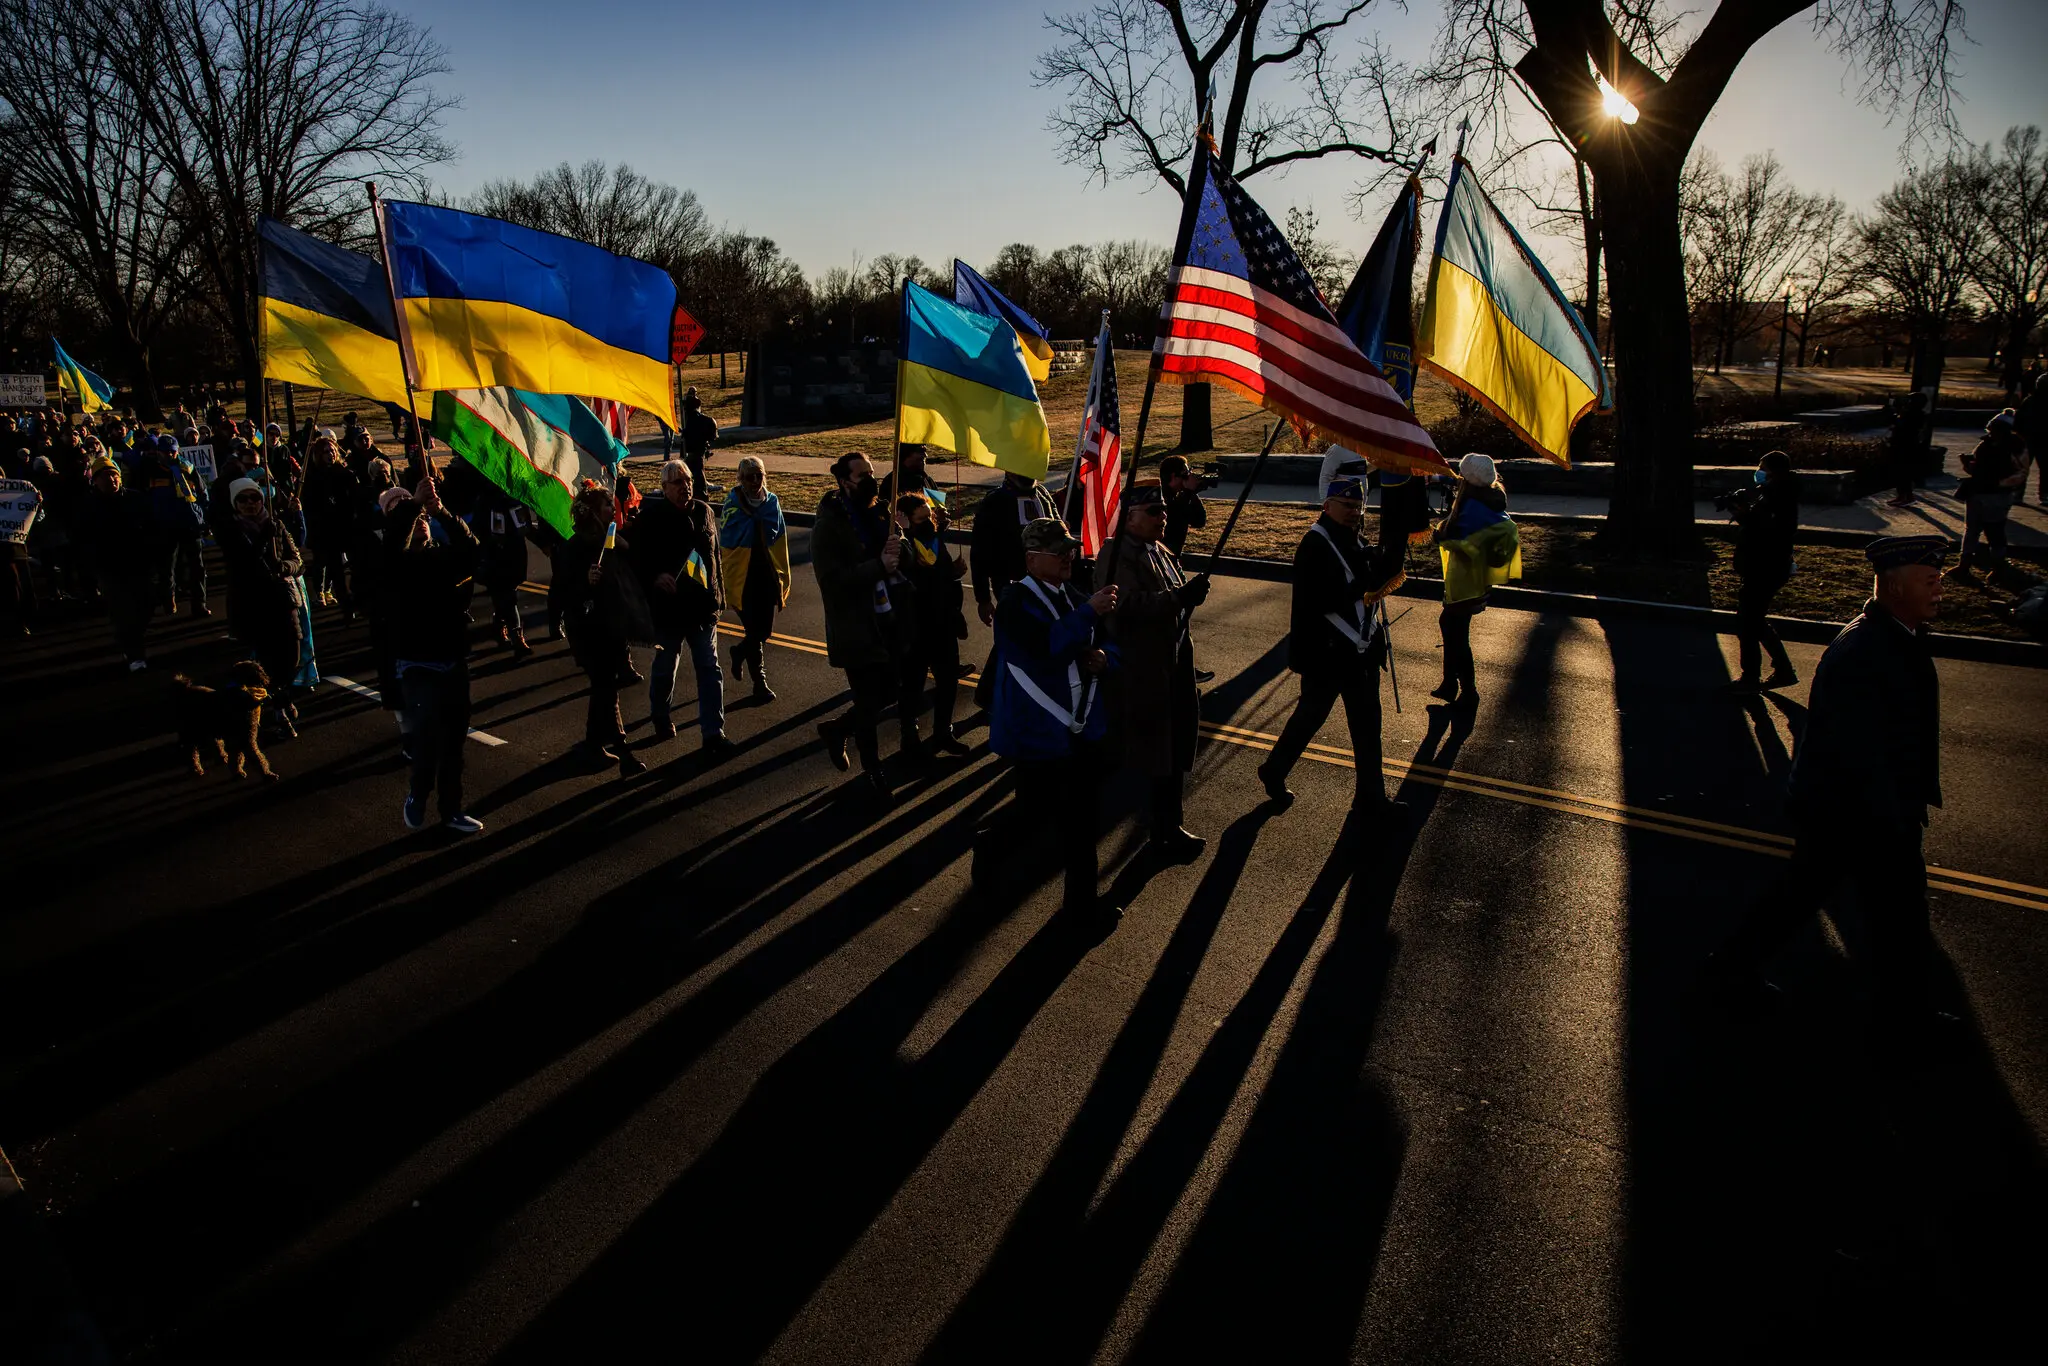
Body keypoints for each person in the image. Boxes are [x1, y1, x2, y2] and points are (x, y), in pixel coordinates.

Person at [1705, 536, 1949, 1045]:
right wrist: (1893, 816)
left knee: (1803, 897)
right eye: (1930, 580)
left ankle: (1728, 971)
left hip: (1849, 808)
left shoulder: (1892, 634)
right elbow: (1861, 749)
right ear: (1898, 586)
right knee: (1899, 916)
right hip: (1859, 812)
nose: (1940, 588)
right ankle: (1908, 1020)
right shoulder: (1869, 649)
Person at [989, 517, 1121, 918]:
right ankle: (994, 846)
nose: (1069, 556)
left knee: (1076, 821)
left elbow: (1105, 642)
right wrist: (1088, 612)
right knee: (1041, 816)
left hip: (1074, 731)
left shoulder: (1069, 592)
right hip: (1037, 732)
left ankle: (1079, 906)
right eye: (1059, 551)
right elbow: (1044, 651)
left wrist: (1105, 659)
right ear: (1031, 560)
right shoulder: (1014, 602)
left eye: (1071, 549)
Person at [1257, 472, 1404, 812]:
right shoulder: (1315, 543)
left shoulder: (1353, 538)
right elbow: (1319, 600)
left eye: (1360, 505)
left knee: (1368, 729)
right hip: (1327, 655)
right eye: (1348, 505)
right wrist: (1366, 582)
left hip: (1360, 655)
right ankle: (1274, 769)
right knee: (1309, 719)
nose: (1355, 511)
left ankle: (1372, 799)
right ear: (1327, 505)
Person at [1106, 484, 1208, 860]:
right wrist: (1179, 598)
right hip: (1144, 666)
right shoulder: (1118, 554)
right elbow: (1126, 605)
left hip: (1174, 659)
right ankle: (1158, 829)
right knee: (1155, 751)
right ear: (1130, 517)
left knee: (1178, 741)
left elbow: (1174, 599)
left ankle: (1170, 823)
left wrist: (1188, 596)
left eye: (1163, 511)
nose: (1162, 517)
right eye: (1153, 511)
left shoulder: (1161, 550)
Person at [390, 477, 484, 834]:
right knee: (428, 734)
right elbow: (389, 555)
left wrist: (442, 512)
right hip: (416, 663)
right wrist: (413, 506)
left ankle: (451, 810)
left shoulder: (443, 558)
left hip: (452, 660)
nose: (421, 524)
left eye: (423, 520)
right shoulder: (394, 566)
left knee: (454, 742)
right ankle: (418, 792)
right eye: (413, 520)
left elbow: (472, 550)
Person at [811, 450, 905, 796]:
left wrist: (901, 544)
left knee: (889, 690)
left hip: (887, 620)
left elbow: (895, 555)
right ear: (843, 481)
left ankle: (837, 729)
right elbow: (833, 582)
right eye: (862, 475)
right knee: (867, 699)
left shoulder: (879, 511)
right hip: (854, 625)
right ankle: (873, 768)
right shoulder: (828, 526)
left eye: (871, 472)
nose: (870, 479)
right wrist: (879, 567)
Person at [631, 458, 733, 755]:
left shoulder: (705, 511)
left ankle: (714, 733)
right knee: (666, 666)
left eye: (687, 480)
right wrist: (655, 576)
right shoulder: (650, 517)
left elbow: (714, 558)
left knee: (709, 669)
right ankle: (660, 716)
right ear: (664, 488)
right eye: (677, 482)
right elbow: (636, 559)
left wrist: (719, 598)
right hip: (668, 612)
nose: (685, 486)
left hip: (702, 609)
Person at [553, 484, 648, 777]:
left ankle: (593, 745)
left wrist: (627, 542)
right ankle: (623, 751)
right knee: (606, 687)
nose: (613, 508)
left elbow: (631, 566)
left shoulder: (611, 540)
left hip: (611, 627)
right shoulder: (575, 547)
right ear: (593, 512)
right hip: (588, 631)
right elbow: (562, 592)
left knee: (604, 687)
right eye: (607, 505)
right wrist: (586, 581)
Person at [218, 476, 306, 738]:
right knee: (266, 662)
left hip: (283, 600)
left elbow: (297, 559)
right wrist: (261, 542)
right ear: (235, 503)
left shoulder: (275, 525)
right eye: (242, 499)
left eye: (254, 497)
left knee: (293, 658)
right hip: (253, 604)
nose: (249, 503)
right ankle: (276, 711)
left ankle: (281, 695)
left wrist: (285, 567)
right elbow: (241, 563)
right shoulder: (229, 530)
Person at [1430, 453, 1518, 707]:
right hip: (1477, 580)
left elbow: (1448, 535)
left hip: (1464, 582)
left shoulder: (1471, 508)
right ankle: (1450, 684)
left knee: (1454, 631)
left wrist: (1438, 534)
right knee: (1454, 629)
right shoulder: (1491, 502)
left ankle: (1467, 689)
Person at [971, 468, 1062, 706]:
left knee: (1030, 637)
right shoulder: (995, 501)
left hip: (1045, 580)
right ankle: (992, 694)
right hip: (1011, 583)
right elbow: (980, 552)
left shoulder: (1041, 494)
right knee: (1015, 637)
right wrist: (983, 597)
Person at [893, 491, 971, 759]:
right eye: (921, 517)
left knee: (948, 682)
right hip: (916, 626)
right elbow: (911, 577)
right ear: (906, 520)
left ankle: (943, 732)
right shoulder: (901, 543)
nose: (928, 520)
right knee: (912, 686)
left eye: (929, 515)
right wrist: (899, 531)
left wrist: (953, 573)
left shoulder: (935, 537)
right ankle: (909, 736)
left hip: (943, 623)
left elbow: (940, 574)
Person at [1723, 449, 1801, 693]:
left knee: (1748, 623)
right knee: (1753, 622)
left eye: (1763, 468)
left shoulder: (1779, 497)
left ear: (1775, 471)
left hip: (1766, 567)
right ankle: (1782, 670)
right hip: (1764, 565)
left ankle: (1751, 677)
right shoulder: (1773, 493)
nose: (1759, 473)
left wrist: (1745, 516)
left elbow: (1769, 532)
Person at [718, 455, 790, 705]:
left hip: (767, 575)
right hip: (743, 576)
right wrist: (752, 523)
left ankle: (739, 652)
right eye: (750, 476)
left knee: (764, 631)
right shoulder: (732, 504)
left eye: (759, 475)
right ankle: (760, 683)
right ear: (741, 479)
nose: (756, 481)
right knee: (753, 629)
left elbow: (779, 535)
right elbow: (728, 537)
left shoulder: (772, 502)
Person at [76, 459, 156, 670]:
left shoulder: (136, 499)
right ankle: (134, 655)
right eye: (105, 476)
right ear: (95, 481)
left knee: (145, 607)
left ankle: (131, 639)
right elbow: (81, 537)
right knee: (123, 611)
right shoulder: (88, 505)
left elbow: (153, 526)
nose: (111, 479)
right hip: (109, 567)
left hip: (139, 563)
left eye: (115, 475)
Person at [1951, 409, 2027, 578]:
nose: (1991, 432)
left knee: (1994, 531)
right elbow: (1976, 469)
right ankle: (1966, 564)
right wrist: (1967, 464)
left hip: (1996, 495)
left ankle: (1996, 566)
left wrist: (1998, 483)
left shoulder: (2014, 447)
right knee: (1973, 530)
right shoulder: (1986, 445)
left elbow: (2020, 473)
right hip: (1979, 492)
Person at [472, 483, 535, 659]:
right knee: (507, 595)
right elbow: (477, 529)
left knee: (507, 594)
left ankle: (499, 624)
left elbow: (525, 526)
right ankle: (517, 637)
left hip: (514, 554)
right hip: (493, 555)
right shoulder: (485, 500)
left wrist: (543, 543)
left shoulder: (515, 498)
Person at [300, 436, 360, 613]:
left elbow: (354, 497)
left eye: (332, 450)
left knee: (349, 564)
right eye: (326, 451)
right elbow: (309, 503)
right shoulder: (312, 476)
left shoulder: (344, 473)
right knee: (325, 562)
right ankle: (323, 592)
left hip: (344, 527)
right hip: (324, 528)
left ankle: (346, 596)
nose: (331, 454)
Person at [1156, 454, 1210, 558]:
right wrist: (1188, 492)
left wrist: (1192, 493)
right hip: (1161, 557)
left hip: (1173, 557)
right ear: (1173, 476)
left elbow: (1199, 521)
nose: (1188, 478)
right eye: (1185, 475)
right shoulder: (1159, 498)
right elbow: (1174, 518)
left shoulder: (1181, 496)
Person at [1883, 389, 1929, 509]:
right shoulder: (1911, 413)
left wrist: (1894, 415)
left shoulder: (1914, 414)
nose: (1907, 401)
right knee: (1899, 473)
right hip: (1902, 446)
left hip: (1906, 447)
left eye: (1910, 400)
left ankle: (1907, 497)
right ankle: (1901, 496)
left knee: (1904, 473)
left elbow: (1902, 426)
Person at [2017, 371, 2048, 507]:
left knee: (2022, 467)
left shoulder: (2029, 401)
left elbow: (2018, 421)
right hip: (2043, 439)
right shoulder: (2029, 401)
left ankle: (2018, 494)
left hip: (2028, 438)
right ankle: (2044, 495)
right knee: (2046, 469)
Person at [680, 387, 717, 492]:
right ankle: (699, 489)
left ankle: (701, 490)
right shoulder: (693, 417)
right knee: (694, 470)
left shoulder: (696, 419)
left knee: (697, 471)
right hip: (695, 448)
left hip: (695, 449)